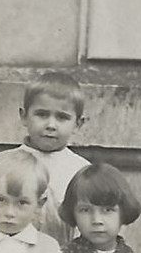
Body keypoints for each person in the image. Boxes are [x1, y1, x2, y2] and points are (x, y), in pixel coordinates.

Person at [17, 71, 91, 244]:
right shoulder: (5, 164)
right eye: (42, 114)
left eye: (62, 117)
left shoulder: (82, 172)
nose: (51, 125)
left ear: (78, 124)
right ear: (24, 116)